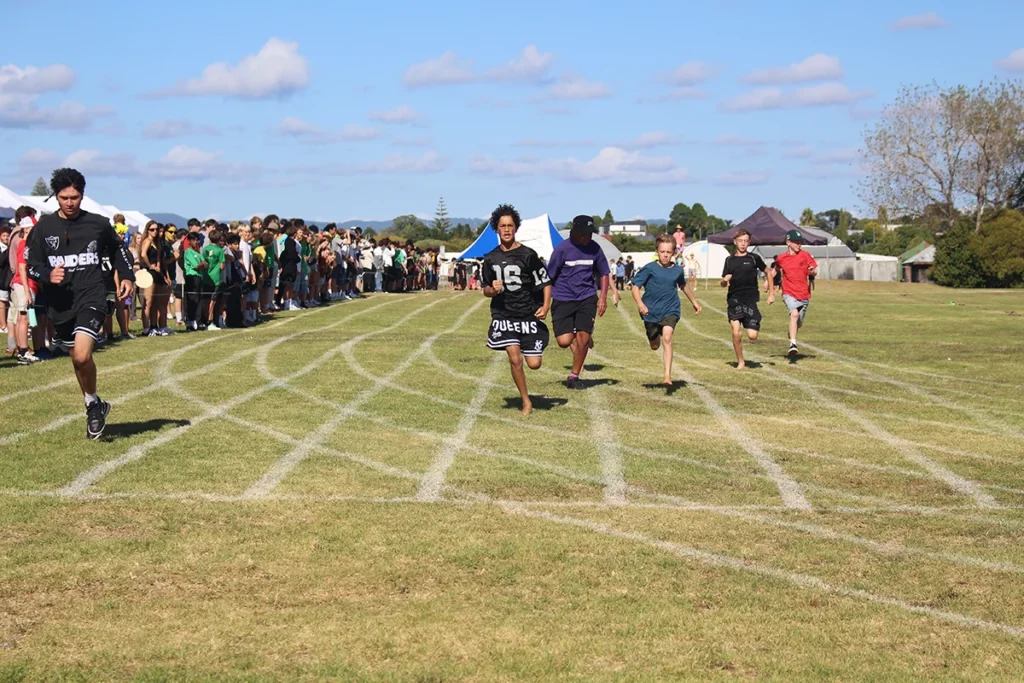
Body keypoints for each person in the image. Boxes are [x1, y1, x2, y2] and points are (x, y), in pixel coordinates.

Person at [25, 168, 134, 438]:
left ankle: (93, 406)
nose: (70, 203)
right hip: (60, 304)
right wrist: (47, 275)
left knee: (84, 354)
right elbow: (31, 266)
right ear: (56, 197)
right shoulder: (43, 228)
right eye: (64, 198)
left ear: (82, 195)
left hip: (92, 296)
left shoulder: (98, 224)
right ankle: (93, 403)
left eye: (74, 197)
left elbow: (119, 250)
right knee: (77, 360)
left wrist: (127, 276)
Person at [481, 204, 552, 416]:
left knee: (534, 364)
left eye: (510, 225)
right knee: (515, 358)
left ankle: (528, 394)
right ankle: (526, 401)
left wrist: (546, 305)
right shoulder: (490, 258)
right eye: (502, 226)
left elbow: (545, 282)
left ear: (516, 227)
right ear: (496, 228)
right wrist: (492, 290)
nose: (506, 229)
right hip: (504, 314)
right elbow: (485, 289)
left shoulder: (528, 255)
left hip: (528, 313)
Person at [546, 215, 609, 389]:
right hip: (563, 298)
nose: (587, 237)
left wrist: (603, 297)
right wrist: (543, 302)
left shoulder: (595, 248)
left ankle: (574, 376)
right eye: (584, 234)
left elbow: (604, 273)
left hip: (587, 297)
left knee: (583, 337)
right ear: (575, 232)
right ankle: (583, 336)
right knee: (564, 341)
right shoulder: (562, 249)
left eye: (590, 234)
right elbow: (549, 277)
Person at [631, 234, 701, 385]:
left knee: (667, 338)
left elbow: (683, 286)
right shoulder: (650, 268)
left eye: (668, 252)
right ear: (657, 251)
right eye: (662, 251)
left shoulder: (677, 270)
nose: (665, 255)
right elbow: (635, 287)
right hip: (650, 311)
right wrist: (640, 304)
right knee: (655, 345)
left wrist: (694, 302)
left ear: (673, 253)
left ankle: (667, 376)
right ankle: (653, 337)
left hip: (670, 309)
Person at [720, 228, 774, 369]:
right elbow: (723, 283)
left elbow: (768, 272)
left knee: (752, 336)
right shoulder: (729, 260)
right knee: (736, 332)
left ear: (749, 242)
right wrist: (725, 280)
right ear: (735, 242)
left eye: (745, 241)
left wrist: (771, 293)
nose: (743, 244)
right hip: (734, 299)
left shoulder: (754, 258)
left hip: (750, 300)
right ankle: (741, 361)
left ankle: (750, 321)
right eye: (740, 241)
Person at [772, 228, 818, 356]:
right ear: (788, 242)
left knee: (798, 323)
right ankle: (793, 344)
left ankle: (791, 334)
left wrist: (812, 271)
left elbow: (814, 271)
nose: (799, 244)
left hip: (804, 294)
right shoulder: (781, 258)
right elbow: (775, 270)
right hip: (788, 292)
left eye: (800, 241)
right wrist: (767, 283)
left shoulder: (805, 255)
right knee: (794, 314)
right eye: (796, 242)